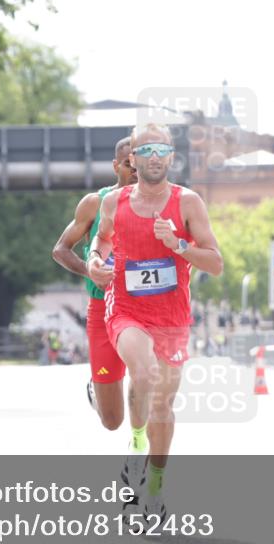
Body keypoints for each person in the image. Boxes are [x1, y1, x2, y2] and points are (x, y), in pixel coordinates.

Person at [88, 123, 223, 519]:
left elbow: (215, 263)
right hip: (127, 309)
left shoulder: (188, 203)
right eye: (144, 150)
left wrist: (178, 245)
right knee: (142, 370)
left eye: (159, 150)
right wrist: (96, 261)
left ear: (171, 157)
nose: (152, 157)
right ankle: (134, 450)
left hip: (173, 317)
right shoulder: (114, 202)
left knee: (163, 407)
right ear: (132, 158)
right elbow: (102, 239)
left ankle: (157, 489)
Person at [52, 136, 138, 432]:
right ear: (116, 166)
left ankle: (145, 451)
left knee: (151, 381)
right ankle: (98, 390)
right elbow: (60, 249)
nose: (136, 170)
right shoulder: (95, 203)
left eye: (142, 163)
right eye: (129, 164)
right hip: (102, 308)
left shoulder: (161, 204)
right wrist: (91, 271)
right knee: (112, 421)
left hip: (144, 309)